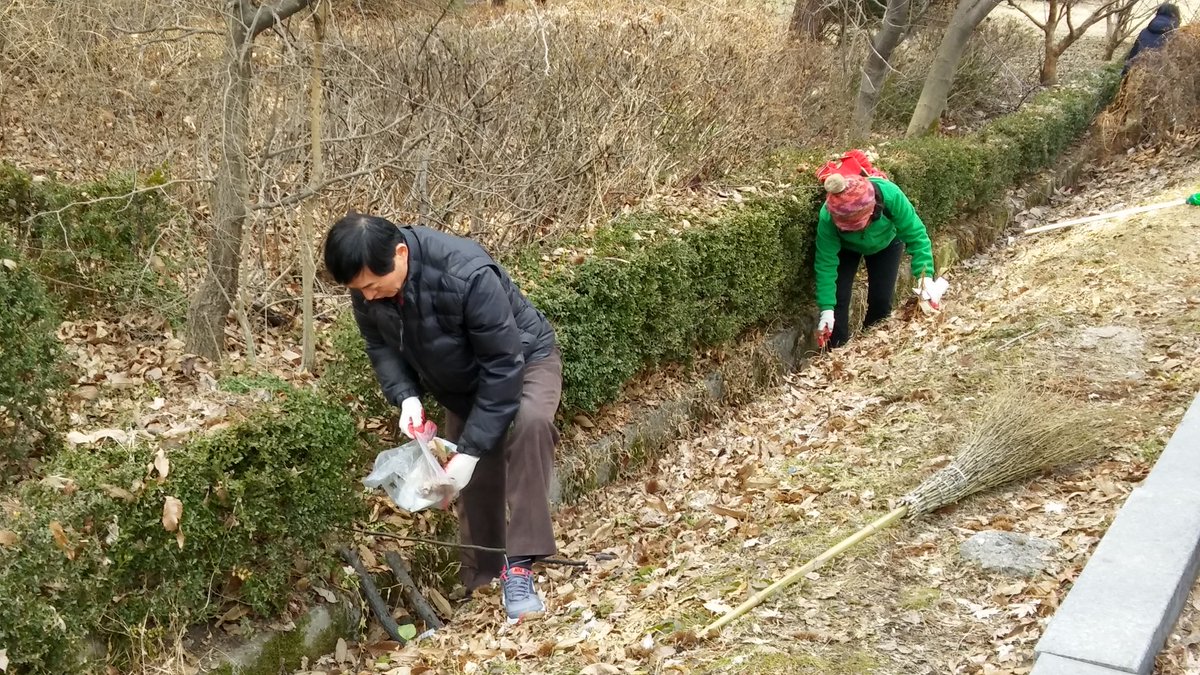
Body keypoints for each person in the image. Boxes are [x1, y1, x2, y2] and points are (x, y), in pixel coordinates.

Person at [323, 214, 561, 623]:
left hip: (523, 361)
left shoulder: (467, 272)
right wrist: (407, 398)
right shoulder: (368, 287)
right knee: (465, 476)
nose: (368, 296)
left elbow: (503, 367)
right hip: (461, 381)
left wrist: (471, 450)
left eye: (372, 285)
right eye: (359, 290)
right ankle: (484, 575)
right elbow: (379, 347)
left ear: (400, 254)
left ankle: (520, 567)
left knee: (529, 424)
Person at [814, 173, 944, 349]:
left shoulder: (890, 195)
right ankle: (837, 351)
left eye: (858, 225)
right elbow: (826, 264)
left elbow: (916, 235)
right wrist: (827, 309)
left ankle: (872, 346)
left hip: (887, 242)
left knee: (881, 300)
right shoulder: (828, 216)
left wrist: (925, 276)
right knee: (839, 300)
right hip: (847, 249)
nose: (855, 230)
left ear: (871, 209)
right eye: (848, 228)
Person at [1122, 3, 1182, 76]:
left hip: (1137, 74)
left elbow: (1131, 56)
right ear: (1174, 15)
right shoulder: (1178, 36)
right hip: (1160, 78)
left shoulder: (1144, 31)